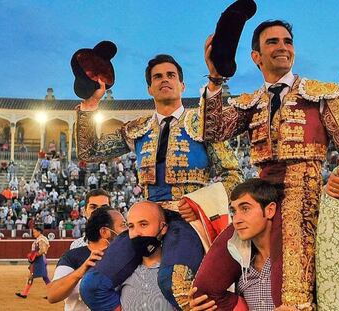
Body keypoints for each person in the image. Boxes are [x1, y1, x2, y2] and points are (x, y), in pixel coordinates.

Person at [197, 19, 339, 308]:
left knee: (292, 297)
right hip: (259, 195)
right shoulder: (251, 102)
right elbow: (212, 132)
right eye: (272, 42)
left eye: (287, 41)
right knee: (204, 288)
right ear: (256, 57)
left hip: (305, 195)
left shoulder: (322, 94)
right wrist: (215, 80)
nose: (283, 47)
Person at [76, 54, 242, 310]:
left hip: (188, 221)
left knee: (174, 282)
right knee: (92, 285)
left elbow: (234, 176)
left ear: (182, 85)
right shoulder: (137, 129)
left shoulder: (203, 124)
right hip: (146, 221)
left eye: (170, 75)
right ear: (149, 88)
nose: (165, 80)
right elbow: (90, 152)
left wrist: (199, 203)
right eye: (158, 77)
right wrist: (90, 104)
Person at [189, 179, 298, 311]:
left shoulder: (292, 261)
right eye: (233, 211)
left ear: (270, 210)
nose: (236, 220)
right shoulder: (242, 268)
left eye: (245, 209)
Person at [47, 207, 127, 311]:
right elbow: (52, 295)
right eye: (123, 225)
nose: (128, 230)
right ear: (104, 232)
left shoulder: (125, 257)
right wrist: (81, 271)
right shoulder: (72, 257)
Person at [16, 226, 50, 298]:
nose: (33, 234)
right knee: (45, 277)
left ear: (39, 232)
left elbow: (42, 250)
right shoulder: (40, 239)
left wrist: (34, 255)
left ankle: (24, 293)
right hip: (40, 260)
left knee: (32, 276)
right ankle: (51, 293)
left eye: (34, 232)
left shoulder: (41, 239)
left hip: (39, 260)